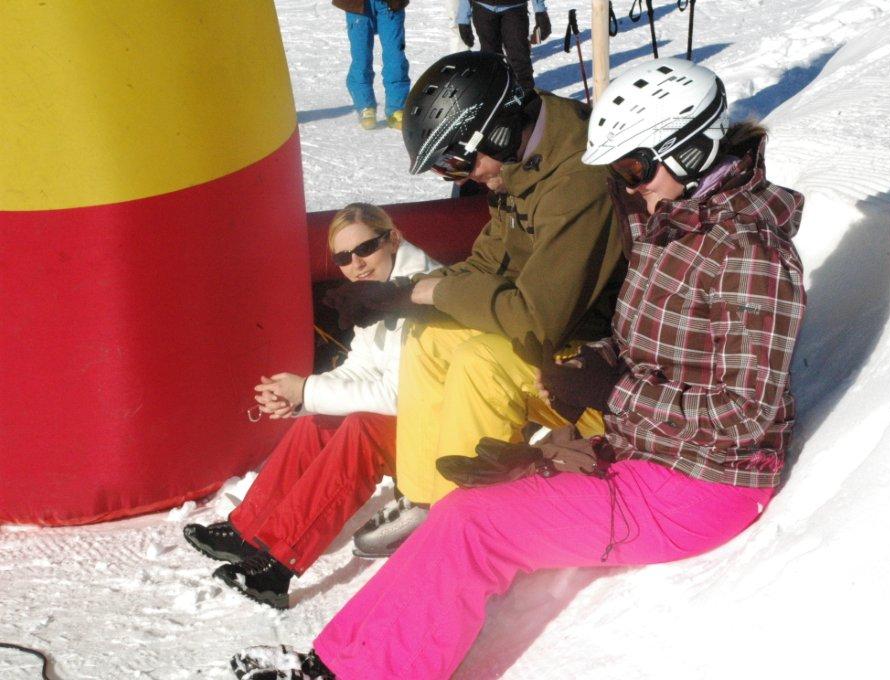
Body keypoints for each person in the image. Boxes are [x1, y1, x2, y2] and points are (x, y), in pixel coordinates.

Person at [228, 57, 806, 679]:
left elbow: (747, 416)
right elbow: (659, 347)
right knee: (467, 508)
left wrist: (614, 390)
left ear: (692, 149)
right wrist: (579, 404)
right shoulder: (674, 224)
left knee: (475, 527)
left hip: (698, 486)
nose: (627, 187)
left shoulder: (748, 254)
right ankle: (330, 664)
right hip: (643, 452)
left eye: (634, 168)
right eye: (619, 171)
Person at [328, 50, 625, 559]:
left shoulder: (577, 181)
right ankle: (424, 496)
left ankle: (460, 522)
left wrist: (433, 292)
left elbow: (535, 319)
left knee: (478, 361)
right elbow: (490, 260)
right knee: (430, 335)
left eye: (456, 161)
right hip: (561, 334)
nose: (460, 178)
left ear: (497, 131)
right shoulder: (521, 164)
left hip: (596, 365)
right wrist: (405, 293)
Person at [182, 203, 439, 609]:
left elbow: (397, 393)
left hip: (444, 427)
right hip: (417, 413)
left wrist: (307, 390)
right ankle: (247, 530)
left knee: (362, 431)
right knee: (322, 418)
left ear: (393, 239)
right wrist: (301, 397)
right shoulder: (378, 290)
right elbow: (361, 367)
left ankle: (279, 565)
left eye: (365, 249)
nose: (356, 264)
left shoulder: (422, 292)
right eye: (343, 258)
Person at [332, 0, 411, 130]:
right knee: (361, 58)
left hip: (390, 5)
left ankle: (396, 108)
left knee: (395, 58)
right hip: (357, 6)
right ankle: (365, 105)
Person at [456, 0, 551, 91]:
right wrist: (463, 18)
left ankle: (525, 92)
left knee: (519, 55)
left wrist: (540, 12)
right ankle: (495, 92)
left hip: (515, 8)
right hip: (483, 8)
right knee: (490, 57)